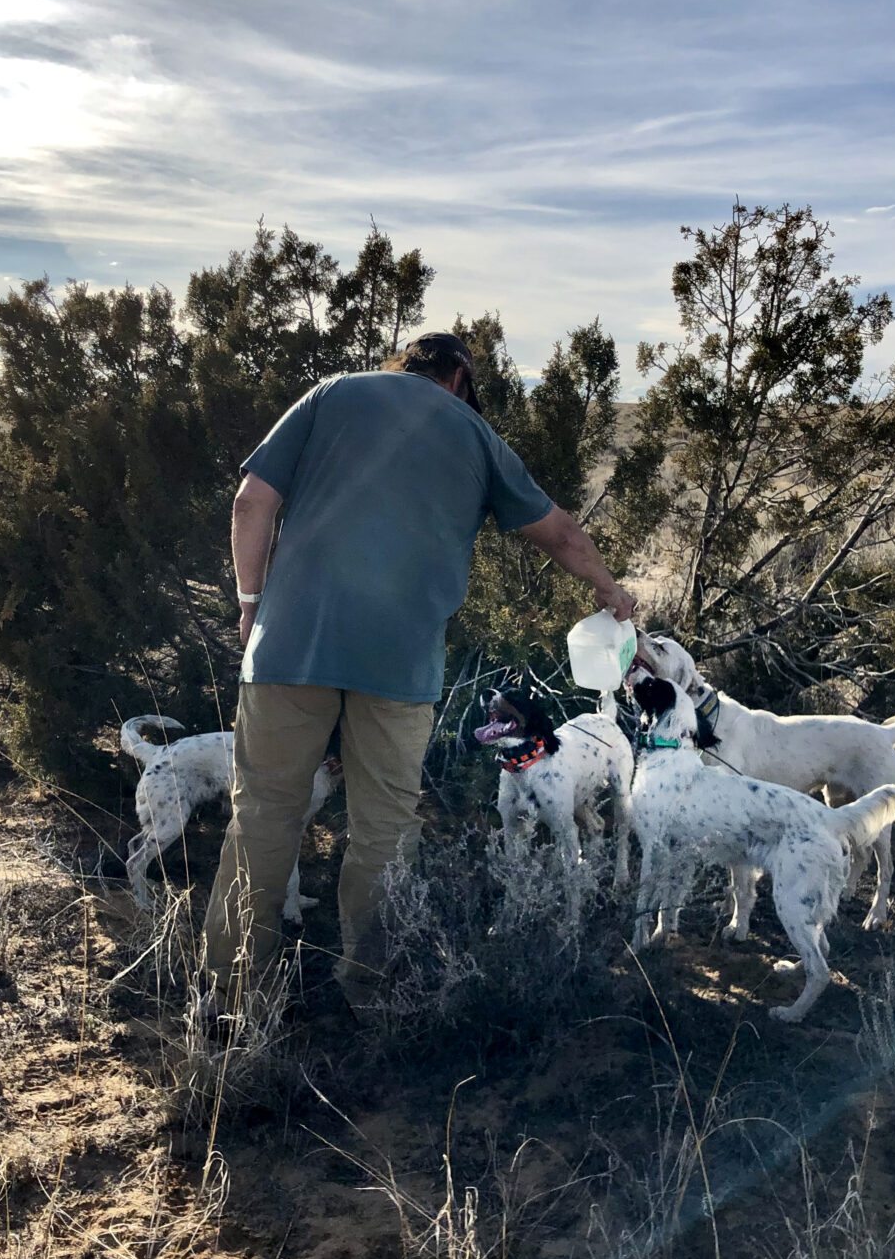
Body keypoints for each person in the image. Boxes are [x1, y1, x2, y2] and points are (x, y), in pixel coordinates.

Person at [206, 330, 633, 1005]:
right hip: (398, 659)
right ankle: (371, 990)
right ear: (462, 379)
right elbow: (562, 533)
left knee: (262, 815)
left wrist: (250, 603)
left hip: (289, 643)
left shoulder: (332, 394)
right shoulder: (475, 433)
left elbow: (250, 501)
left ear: (403, 365)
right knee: (383, 828)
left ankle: (233, 994)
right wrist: (611, 590)